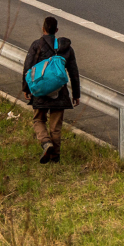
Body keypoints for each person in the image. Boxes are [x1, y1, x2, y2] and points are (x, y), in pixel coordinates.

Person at [22, 16, 80, 164]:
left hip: (40, 91)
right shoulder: (66, 48)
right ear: (57, 30)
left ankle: (46, 142)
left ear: (43, 29)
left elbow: (28, 68)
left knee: (39, 119)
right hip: (60, 93)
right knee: (56, 127)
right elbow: (73, 73)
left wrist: (26, 88)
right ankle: (55, 158)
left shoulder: (37, 45)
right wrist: (76, 94)